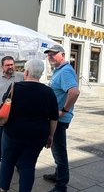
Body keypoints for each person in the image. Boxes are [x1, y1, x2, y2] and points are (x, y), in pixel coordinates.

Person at [0, 59, 59, 192]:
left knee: (7, 161)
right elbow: (54, 118)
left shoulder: (15, 87)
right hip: (37, 135)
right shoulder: (49, 92)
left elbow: (4, 105)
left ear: (26, 72)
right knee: (28, 166)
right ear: (40, 74)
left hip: (13, 133)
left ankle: (2, 189)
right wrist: (51, 136)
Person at [43, 45, 80, 192]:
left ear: (62, 55)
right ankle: (58, 175)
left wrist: (63, 111)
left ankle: (61, 185)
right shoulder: (58, 70)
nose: (50, 56)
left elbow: (74, 92)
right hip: (55, 118)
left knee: (59, 152)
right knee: (56, 149)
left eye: (53, 54)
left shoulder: (65, 71)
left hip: (59, 119)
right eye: (49, 55)